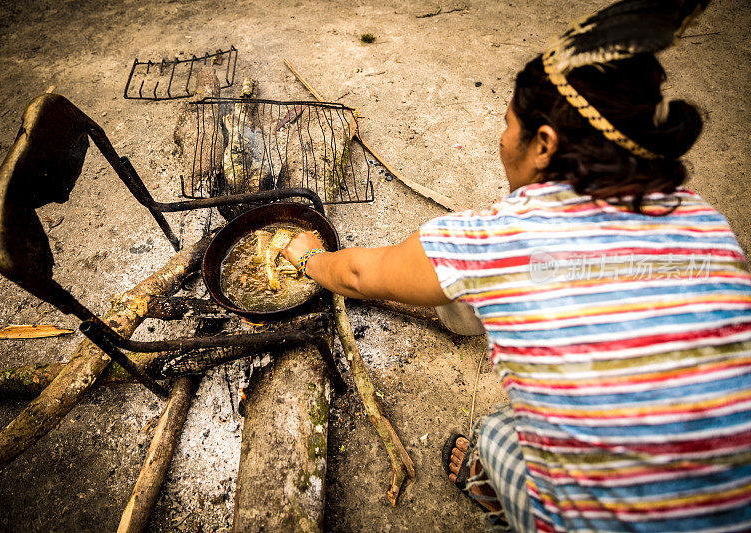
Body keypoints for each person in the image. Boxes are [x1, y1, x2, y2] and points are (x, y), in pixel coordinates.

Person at [282, 2, 751, 531]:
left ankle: (487, 481)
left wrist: (307, 257)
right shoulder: (706, 220)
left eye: (509, 125)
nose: (502, 140)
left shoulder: (492, 241)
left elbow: (360, 275)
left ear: (544, 144)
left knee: (499, 433)